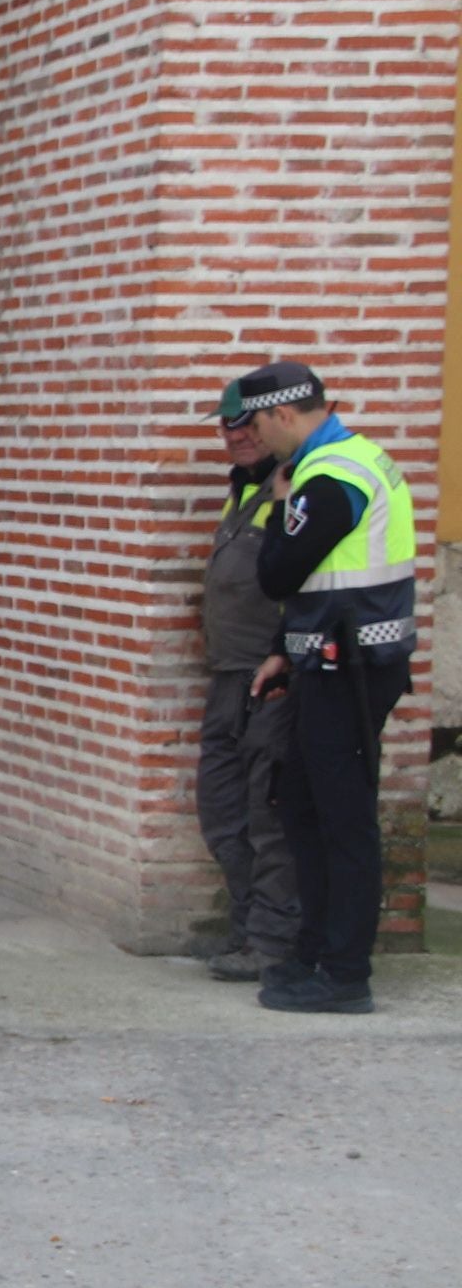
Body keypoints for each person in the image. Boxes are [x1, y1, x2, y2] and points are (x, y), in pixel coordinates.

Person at [238, 361, 415, 1016]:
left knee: (342, 820)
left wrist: (280, 508)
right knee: (305, 809)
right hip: (332, 660)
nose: (257, 440)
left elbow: (280, 575)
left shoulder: (331, 477)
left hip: (354, 669)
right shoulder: (349, 459)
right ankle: (314, 952)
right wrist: (285, 651)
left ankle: (345, 974)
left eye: (258, 425)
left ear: (285, 414)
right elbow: (331, 581)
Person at [193, 399, 297, 983]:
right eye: (227, 425)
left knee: (268, 815)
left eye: (246, 424)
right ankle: (248, 926)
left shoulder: (290, 489)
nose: (236, 435)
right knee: (223, 810)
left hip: (271, 680)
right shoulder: (243, 492)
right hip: (229, 676)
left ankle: (272, 941)